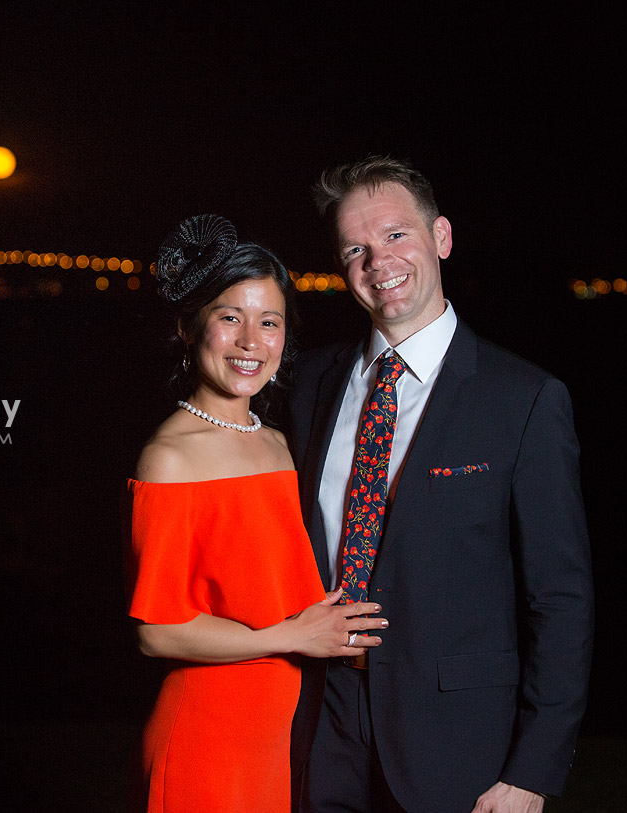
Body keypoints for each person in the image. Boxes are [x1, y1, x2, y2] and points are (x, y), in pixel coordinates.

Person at [288, 156, 594, 813]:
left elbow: (561, 597)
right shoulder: (309, 385)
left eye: (396, 235)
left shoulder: (524, 398)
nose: (379, 262)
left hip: (458, 742)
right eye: (355, 248)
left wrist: (532, 772)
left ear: (442, 238)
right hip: (320, 725)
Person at [125, 214, 389, 812]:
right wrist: (294, 635)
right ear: (189, 330)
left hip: (284, 734)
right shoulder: (169, 457)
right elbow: (157, 630)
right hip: (209, 737)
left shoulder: (276, 442)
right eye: (229, 318)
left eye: (269, 322)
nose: (251, 342)